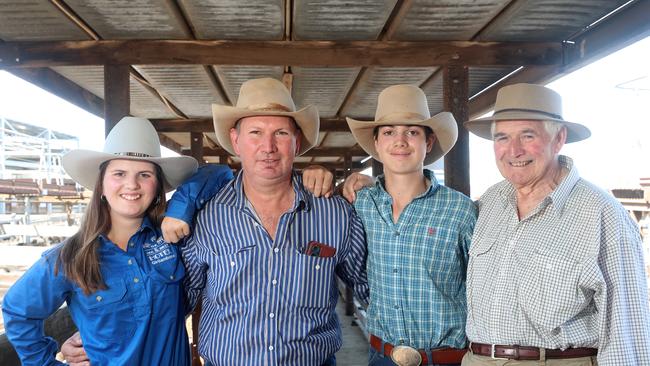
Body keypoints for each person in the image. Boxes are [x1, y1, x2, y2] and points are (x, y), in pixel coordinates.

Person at [161, 77, 367, 366]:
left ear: (297, 142)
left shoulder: (335, 212)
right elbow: (174, 301)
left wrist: (382, 196)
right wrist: (99, 340)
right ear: (236, 140)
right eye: (255, 132)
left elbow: (378, 288)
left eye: (281, 133)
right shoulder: (206, 215)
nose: (268, 147)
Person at [461, 83, 650, 365]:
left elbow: (626, 329)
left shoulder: (601, 212)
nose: (513, 150)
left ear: (558, 138)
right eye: (502, 137)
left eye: (527, 135)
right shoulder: (490, 202)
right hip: (478, 359)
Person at [1, 117, 211, 365]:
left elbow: (216, 173)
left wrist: (181, 206)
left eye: (144, 174)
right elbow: (18, 311)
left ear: (158, 186)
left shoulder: (170, 239)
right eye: (119, 173)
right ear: (101, 185)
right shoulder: (70, 256)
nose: (131, 184)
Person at [339, 85, 476, 366]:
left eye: (412, 132)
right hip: (382, 356)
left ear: (429, 142)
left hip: (448, 358)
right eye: (389, 132)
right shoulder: (360, 204)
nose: (400, 141)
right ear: (376, 143)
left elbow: (482, 287)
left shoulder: (460, 209)